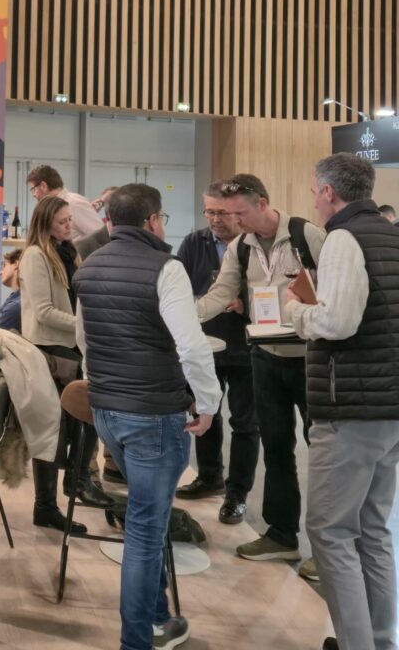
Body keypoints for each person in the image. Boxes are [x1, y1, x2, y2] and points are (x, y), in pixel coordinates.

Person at [75, 184, 220, 650]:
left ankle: (157, 616)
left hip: (107, 410)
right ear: (154, 220)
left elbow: (83, 339)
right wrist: (209, 402)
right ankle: (136, 640)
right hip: (155, 414)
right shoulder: (166, 267)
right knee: (144, 529)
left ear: (110, 222)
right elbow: (191, 345)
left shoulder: (88, 266)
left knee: (147, 519)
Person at [287, 153, 399, 650]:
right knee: (372, 530)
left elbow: (337, 322)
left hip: (351, 408)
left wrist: (296, 310)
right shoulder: (391, 235)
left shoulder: (343, 239)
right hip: (388, 407)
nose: (314, 199)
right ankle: (378, 640)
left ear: (329, 192)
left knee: (330, 533)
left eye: (315, 190)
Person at [196, 173, 325, 566]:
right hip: (264, 357)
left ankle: (328, 553)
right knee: (276, 448)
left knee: (322, 453)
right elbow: (220, 293)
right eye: (228, 214)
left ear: (263, 204)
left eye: (240, 213)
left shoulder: (306, 235)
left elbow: (335, 290)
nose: (234, 221)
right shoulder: (240, 247)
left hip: (310, 359)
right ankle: (282, 535)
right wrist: (183, 315)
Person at [20, 195, 110, 520]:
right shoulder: (35, 256)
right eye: (63, 221)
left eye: (70, 219)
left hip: (72, 347)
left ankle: (77, 478)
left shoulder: (70, 253)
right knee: (53, 431)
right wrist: (83, 324)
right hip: (49, 351)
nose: (70, 225)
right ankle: (50, 501)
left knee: (86, 415)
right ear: (46, 224)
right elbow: (44, 312)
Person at [175, 183, 259, 526]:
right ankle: (209, 476)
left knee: (245, 423)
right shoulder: (193, 243)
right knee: (204, 411)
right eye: (209, 211)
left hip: (245, 347)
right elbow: (178, 288)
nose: (214, 219)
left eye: (221, 212)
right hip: (204, 346)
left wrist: (246, 303)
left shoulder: (253, 245)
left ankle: (236, 494)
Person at [26, 164, 104, 243]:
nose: (34, 195)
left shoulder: (75, 203)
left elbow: (102, 237)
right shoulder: (51, 207)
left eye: (33, 189)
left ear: (43, 186)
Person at [0, 248, 22, 331]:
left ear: (16, 264)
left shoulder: (14, 306)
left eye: (4, 265)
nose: (0, 272)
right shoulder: (16, 298)